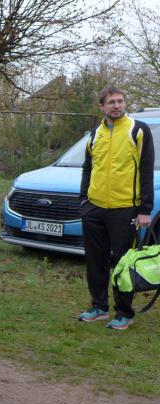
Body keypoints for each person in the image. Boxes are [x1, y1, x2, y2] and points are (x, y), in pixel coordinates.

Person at [78, 86, 155, 330]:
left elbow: (146, 169)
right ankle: (99, 307)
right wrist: (84, 200)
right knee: (95, 261)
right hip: (95, 208)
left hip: (125, 209)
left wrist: (145, 209)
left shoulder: (138, 130)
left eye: (120, 101)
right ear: (101, 106)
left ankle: (124, 313)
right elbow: (88, 168)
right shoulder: (95, 134)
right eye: (111, 102)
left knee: (123, 264)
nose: (117, 105)